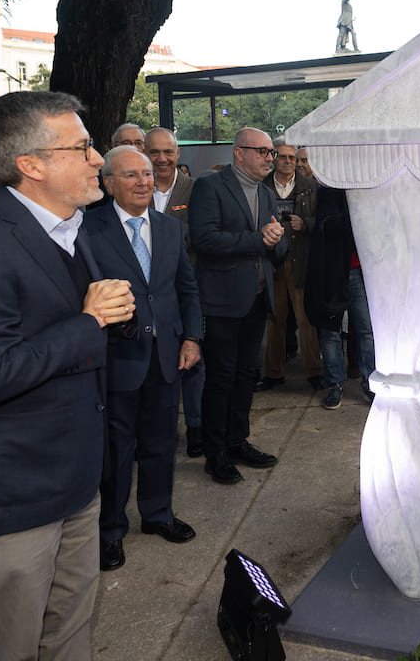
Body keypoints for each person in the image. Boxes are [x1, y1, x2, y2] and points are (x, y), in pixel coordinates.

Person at [0, 91, 135, 659]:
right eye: (84, 147)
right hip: (13, 491)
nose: (99, 159)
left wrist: (116, 319)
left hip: (76, 477)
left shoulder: (73, 228)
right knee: (9, 645)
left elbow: (78, 331)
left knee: (70, 630)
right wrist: (90, 321)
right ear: (32, 164)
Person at [83, 147, 203, 571]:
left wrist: (192, 337)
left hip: (168, 355)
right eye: (131, 175)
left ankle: (157, 515)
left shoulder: (170, 229)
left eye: (148, 174)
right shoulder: (87, 229)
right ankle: (110, 530)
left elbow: (185, 289)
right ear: (109, 183)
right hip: (118, 358)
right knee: (117, 450)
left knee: (160, 442)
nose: (143, 182)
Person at [188, 127, 287, 484]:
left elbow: (278, 248)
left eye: (270, 153)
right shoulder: (209, 187)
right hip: (222, 301)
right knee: (220, 378)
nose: (268, 158)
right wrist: (258, 238)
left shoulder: (266, 193)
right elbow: (203, 238)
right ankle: (215, 453)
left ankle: (237, 440)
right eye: (261, 152)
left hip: (257, 300)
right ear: (239, 153)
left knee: (246, 376)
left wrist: (276, 242)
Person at [145, 127, 204, 456]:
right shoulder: (135, 188)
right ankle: (158, 430)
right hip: (144, 296)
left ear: (178, 154)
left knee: (193, 363)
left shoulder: (196, 191)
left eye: (168, 152)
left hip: (184, 292)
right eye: (155, 152)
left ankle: (195, 427)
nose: (162, 159)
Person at [304, 185, 374, 410]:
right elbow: (328, 226)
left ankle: (370, 384)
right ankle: (335, 384)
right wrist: (358, 218)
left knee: (366, 329)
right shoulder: (329, 186)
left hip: (362, 270)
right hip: (331, 270)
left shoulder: (369, 186)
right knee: (330, 329)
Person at [260, 139, 322, 391]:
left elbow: (323, 221)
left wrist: (304, 223)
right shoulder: (261, 185)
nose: (288, 161)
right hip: (271, 260)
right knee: (274, 319)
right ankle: (274, 373)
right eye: (283, 156)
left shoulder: (311, 186)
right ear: (274, 158)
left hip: (300, 260)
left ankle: (315, 371)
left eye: (292, 158)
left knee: (306, 318)